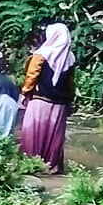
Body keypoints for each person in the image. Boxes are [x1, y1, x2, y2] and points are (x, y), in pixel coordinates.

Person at [20, 22, 76, 173]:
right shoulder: (69, 57)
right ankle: (52, 166)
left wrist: (25, 93)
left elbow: (31, 76)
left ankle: (31, 164)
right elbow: (70, 83)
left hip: (39, 101)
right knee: (54, 136)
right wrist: (70, 100)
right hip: (60, 104)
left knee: (33, 133)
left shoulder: (42, 54)